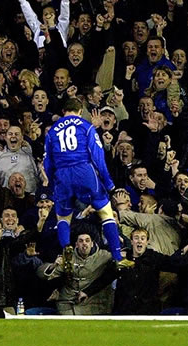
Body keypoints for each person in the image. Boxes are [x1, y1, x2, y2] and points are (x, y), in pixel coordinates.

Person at [44, 98, 134, 268]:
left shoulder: (52, 131)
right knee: (106, 212)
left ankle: (66, 249)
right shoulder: (86, 126)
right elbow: (98, 157)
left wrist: (52, 183)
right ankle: (117, 256)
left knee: (63, 216)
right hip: (84, 171)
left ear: (64, 111)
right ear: (80, 111)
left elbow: (48, 162)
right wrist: (108, 184)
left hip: (62, 174)